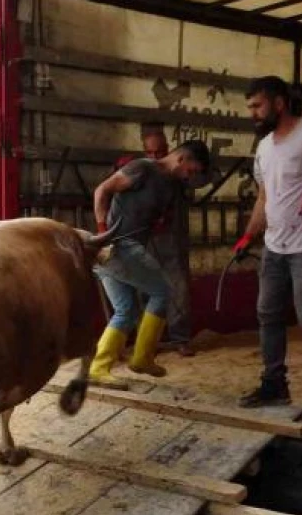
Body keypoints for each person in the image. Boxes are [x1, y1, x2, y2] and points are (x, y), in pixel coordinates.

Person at [233, 76, 302, 408]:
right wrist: (248, 235)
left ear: (279, 103)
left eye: (257, 105)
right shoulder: (264, 147)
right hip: (274, 246)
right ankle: (274, 385)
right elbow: (264, 197)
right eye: (250, 107)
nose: (253, 113)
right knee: (267, 314)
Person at [89, 140, 211, 390]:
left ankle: (98, 368)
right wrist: (103, 233)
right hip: (119, 246)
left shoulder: (170, 184)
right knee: (164, 291)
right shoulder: (142, 168)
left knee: (126, 310)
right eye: (192, 170)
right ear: (181, 159)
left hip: (118, 250)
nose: (191, 176)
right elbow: (102, 190)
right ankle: (143, 357)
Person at [113, 130, 198, 358]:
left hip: (172, 237)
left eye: (159, 151)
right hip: (146, 238)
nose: (153, 156)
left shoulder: (178, 172)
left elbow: (201, 178)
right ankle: (148, 341)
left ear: (169, 149)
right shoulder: (140, 169)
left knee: (178, 286)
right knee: (144, 290)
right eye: (149, 151)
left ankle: (180, 338)